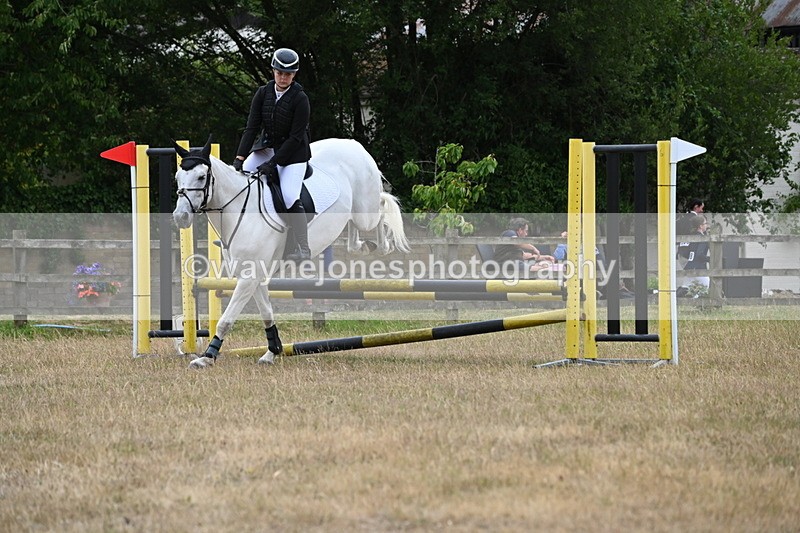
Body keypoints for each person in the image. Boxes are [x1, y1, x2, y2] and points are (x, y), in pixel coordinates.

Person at [233, 48, 312, 261]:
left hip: (294, 155)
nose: (283, 77)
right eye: (279, 73)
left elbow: (295, 138)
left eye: (288, 74)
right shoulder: (263, 93)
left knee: (288, 196)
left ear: (294, 75)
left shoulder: (300, 99)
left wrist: (274, 163)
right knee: (239, 181)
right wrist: (239, 158)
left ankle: (303, 248)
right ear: (273, 71)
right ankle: (240, 233)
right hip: (267, 147)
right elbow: (251, 128)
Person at [677, 215, 710, 296]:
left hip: (689, 265)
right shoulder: (702, 238)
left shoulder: (689, 236)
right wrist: (710, 259)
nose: (707, 225)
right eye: (705, 223)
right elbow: (699, 255)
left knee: (686, 287)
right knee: (705, 287)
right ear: (700, 226)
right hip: (699, 266)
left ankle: (675, 298)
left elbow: (682, 251)